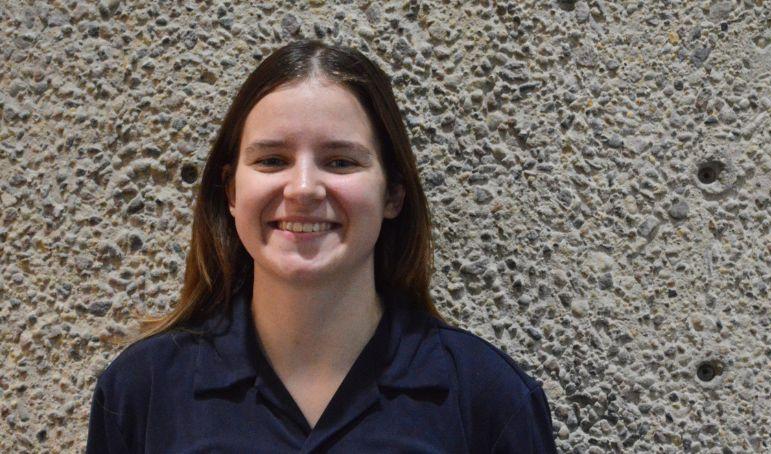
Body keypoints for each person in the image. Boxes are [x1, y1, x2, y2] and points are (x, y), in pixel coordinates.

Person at [86, 39, 557, 453]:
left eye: (339, 160)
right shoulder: (142, 390)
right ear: (231, 191)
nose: (304, 188)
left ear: (392, 193)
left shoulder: (488, 398)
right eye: (272, 160)